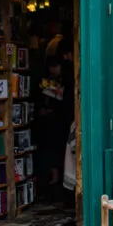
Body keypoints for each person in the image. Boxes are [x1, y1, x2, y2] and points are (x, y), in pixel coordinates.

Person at [35, 33, 74, 201]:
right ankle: (56, 183)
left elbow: (67, 103)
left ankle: (60, 185)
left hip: (62, 122)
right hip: (55, 122)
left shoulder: (68, 79)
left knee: (60, 151)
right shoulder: (55, 80)